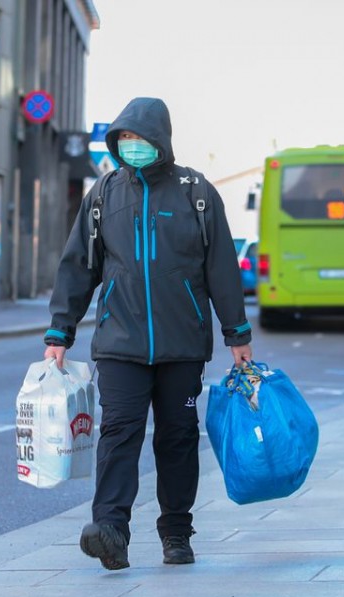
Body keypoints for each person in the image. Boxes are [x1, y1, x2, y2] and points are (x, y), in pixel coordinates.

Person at [43, 97, 253, 570]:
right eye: (125, 139)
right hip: (120, 342)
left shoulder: (195, 192)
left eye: (139, 138)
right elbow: (79, 266)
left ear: (160, 139)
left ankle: (177, 532)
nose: (132, 146)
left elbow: (221, 267)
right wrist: (60, 331)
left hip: (182, 343)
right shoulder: (103, 196)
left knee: (177, 437)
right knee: (118, 432)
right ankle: (111, 529)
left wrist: (236, 332)